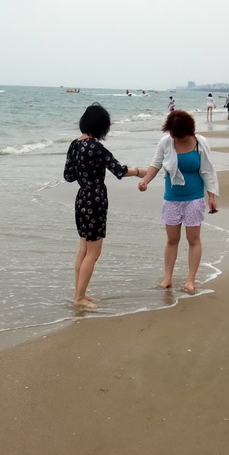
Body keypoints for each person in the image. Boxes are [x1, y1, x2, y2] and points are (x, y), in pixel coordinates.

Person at [63, 103, 143, 308]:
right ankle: (80, 298)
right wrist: (139, 171)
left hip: (81, 198)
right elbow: (119, 171)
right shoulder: (96, 147)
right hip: (95, 199)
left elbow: (68, 176)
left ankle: (79, 293)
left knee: (83, 249)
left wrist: (84, 172)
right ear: (101, 126)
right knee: (93, 252)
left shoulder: (74, 145)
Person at [138, 110, 220, 294]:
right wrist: (145, 181)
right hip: (172, 198)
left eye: (180, 136)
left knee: (193, 239)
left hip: (194, 198)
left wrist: (212, 197)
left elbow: (208, 170)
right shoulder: (166, 141)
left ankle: (190, 280)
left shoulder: (200, 143)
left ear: (189, 132)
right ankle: (167, 278)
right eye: (174, 135)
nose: (177, 139)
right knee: (172, 239)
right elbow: (155, 164)